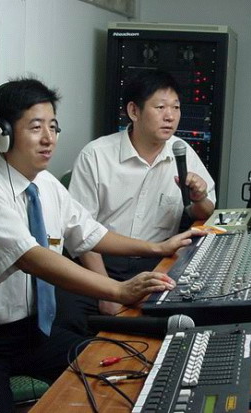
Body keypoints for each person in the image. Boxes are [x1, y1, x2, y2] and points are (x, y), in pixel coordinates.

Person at [0, 77, 199, 413]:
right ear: (1, 134)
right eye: (36, 127)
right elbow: (31, 258)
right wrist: (118, 290)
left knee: (124, 375)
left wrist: (157, 249)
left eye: (53, 126)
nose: (49, 138)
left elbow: (91, 233)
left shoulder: (46, 184)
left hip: (33, 331)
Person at [69, 70, 216, 281]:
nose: (170, 116)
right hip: (103, 262)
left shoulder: (182, 151)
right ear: (134, 111)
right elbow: (81, 232)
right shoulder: (96, 155)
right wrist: (107, 289)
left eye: (176, 107)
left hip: (158, 261)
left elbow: (205, 213)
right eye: (160, 107)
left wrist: (199, 198)